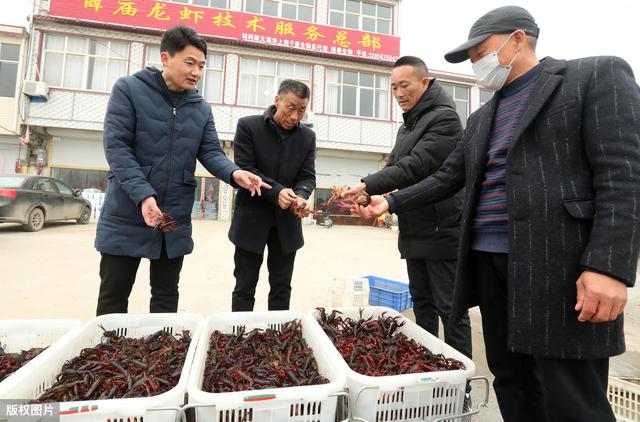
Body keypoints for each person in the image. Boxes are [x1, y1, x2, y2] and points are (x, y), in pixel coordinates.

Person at [354, 6, 640, 422]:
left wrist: (610, 267)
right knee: (512, 381)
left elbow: (623, 174)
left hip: (558, 264)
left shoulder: (592, 77)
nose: (476, 64)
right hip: (488, 264)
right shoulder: (483, 115)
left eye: (480, 52)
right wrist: (391, 201)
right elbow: (450, 176)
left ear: (517, 39)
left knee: (568, 392)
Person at [95, 26, 268, 316]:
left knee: (165, 294)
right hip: (128, 211)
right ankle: (107, 355)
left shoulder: (201, 108)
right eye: (190, 62)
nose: (196, 72)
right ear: (166, 57)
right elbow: (117, 149)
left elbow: (211, 152)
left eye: (201, 65)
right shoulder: (129, 90)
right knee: (114, 295)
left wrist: (234, 173)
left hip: (170, 217)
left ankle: (161, 356)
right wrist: (144, 196)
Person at [344, 56, 472, 360]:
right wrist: (370, 197)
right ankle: (428, 369)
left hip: (443, 229)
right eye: (393, 88)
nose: (399, 93)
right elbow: (395, 166)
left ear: (424, 83)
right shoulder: (409, 125)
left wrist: (369, 184)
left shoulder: (445, 119)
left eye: (405, 85)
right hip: (414, 227)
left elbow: (417, 165)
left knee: (450, 311)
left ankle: (460, 381)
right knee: (423, 307)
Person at [228, 79, 316, 311]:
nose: (296, 116)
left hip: (287, 223)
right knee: (244, 286)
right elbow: (246, 168)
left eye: (302, 110)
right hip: (251, 218)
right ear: (277, 100)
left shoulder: (307, 137)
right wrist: (277, 192)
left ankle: (278, 339)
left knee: (281, 286)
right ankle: (239, 339)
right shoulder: (248, 126)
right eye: (291, 107)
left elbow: (308, 176)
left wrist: (301, 195)